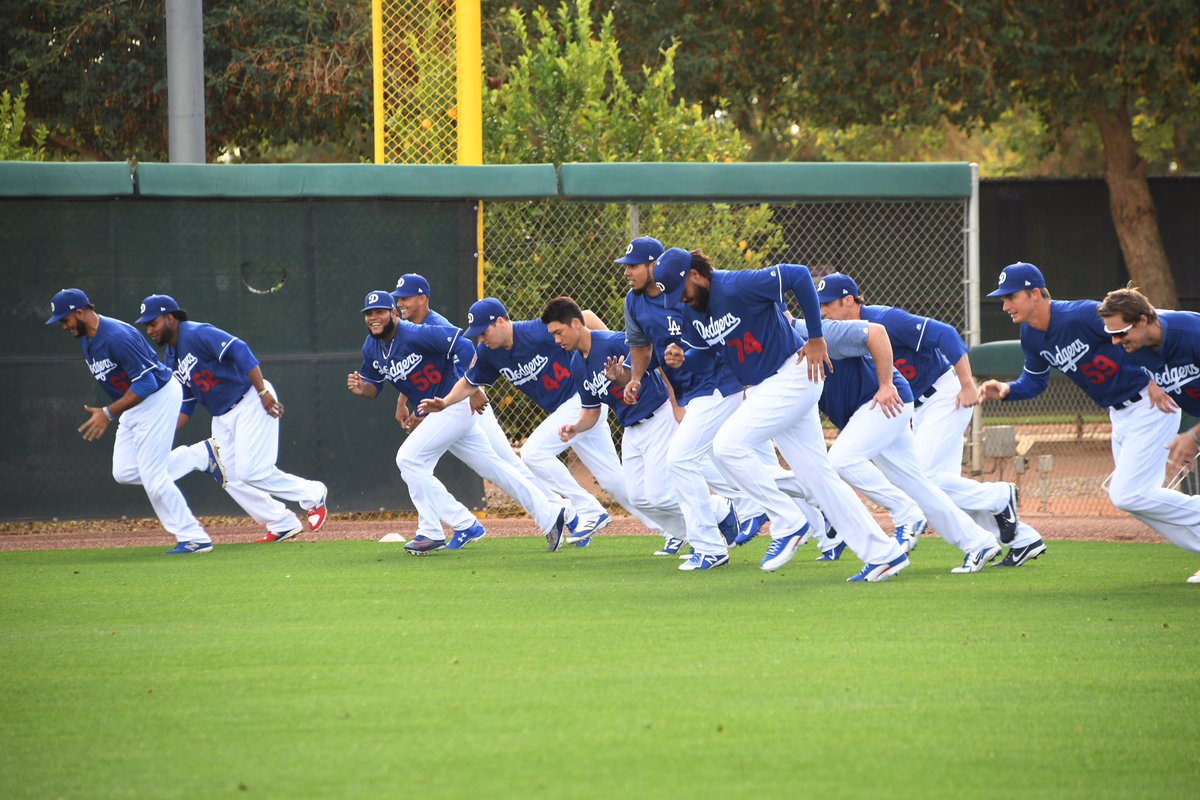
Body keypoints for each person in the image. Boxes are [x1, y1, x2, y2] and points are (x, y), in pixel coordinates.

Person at [654, 257, 909, 581]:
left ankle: (788, 520)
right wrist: (684, 360)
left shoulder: (736, 284)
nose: (681, 299)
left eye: (682, 290)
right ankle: (884, 555)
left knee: (727, 446)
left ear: (695, 274)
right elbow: (711, 357)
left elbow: (799, 275)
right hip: (767, 387)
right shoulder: (693, 311)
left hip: (793, 372)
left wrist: (816, 337)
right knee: (820, 479)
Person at [979, 262, 1200, 581]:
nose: (1005, 305)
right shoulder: (1031, 334)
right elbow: (1036, 380)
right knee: (1136, 499)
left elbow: (1146, 319)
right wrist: (1008, 389)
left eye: (1011, 297)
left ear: (1036, 293)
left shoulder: (1080, 315)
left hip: (1150, 405)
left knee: (1128, 494)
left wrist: (1156, 374)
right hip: (1119, 414)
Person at [817, 272, 1047, 567]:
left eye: (828, 304)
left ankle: (999, 496)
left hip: (944, 395)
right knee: (937, 488)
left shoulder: (886, 319)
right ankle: (1023, 539)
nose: (823, 312)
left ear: (848, 301)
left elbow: (946, 334)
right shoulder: (846, 335)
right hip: (917, 408)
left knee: (923, 479)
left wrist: (966, 385)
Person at [418, 296, 660, 546]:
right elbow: (469, 382)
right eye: (478, 335)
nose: (482, 339)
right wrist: (446, 402)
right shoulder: (490, 354)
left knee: (533, 452)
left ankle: (589, 510)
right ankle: (670, 530)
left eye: (484, 331)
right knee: (614, 482)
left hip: (581, 399)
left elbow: (584, 316)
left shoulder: (535, 331)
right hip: (575, 412)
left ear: (501, 322)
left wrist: (604, 349)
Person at [622, 245, 809, 564]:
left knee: (684, 459)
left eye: (634, 265)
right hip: (695, 391)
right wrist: (638, 378)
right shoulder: (640, 301)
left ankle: (713, 544)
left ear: (654, 265)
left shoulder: (702, 290)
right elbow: (649, 351)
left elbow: (768, 295)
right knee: (732, 460)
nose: (627, 271)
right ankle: (812, 495)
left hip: (720, 384)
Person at [347, 291, 573, 554]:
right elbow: (374, 386)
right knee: (494, 469)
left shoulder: (415, 333)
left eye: (380, 312)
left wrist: (473, 387)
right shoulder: (372, 347)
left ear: (393, 314)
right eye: (369, 314)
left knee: (409, 459)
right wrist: (363, 389)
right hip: (440, 411)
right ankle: (549, 514)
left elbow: (463, 344)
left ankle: (432, 531)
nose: (374, 318)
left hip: (451, 404)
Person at [790, 309, 1004, 574]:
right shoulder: (778, 352)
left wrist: (886, 384)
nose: (822, 311)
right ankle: (979, 543)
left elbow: (877, 333)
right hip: (870, 410)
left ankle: (906, 513)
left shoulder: (811, 331)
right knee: (916, 483)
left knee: (841, 460)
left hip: (883, 401)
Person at [136, 294, 328, 542]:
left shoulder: (196, 333)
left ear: (170, 318)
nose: (150, 330)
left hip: (250, 400)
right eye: (147, 325)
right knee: (230, 476)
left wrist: (262, 391)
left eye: (153, 323)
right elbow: (187, 402)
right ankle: (281, 522)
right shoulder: (171, 357)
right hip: (222, 417)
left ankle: (314, 494)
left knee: (252, 471)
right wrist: (164, 434)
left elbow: (240, 350)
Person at [539, 296, 706, 566]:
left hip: (658, 415)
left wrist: (677, 405)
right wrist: (576, 427)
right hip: (632, 428)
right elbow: (592, 412)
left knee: (659, 495)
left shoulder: (613, 342)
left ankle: (718, 515)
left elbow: (658, 361)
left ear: (577, 324)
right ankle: (686, 534)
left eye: (559, 332)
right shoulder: (576, 365)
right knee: (637, 497)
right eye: (553, 335)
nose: (557, 340)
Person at [46, 288, 212, 554]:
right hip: (135, 404)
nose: (64, 326)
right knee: (124, 472)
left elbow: (147, 381)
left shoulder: (117, 336)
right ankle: (198, 457)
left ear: (79, 313)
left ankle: (195, 537)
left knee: (154, 476)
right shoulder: (87, 337)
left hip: (157, 397)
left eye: (65, 320)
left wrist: (109, 413)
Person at [1096, 284, 1200, 582]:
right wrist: (1155, 383)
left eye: (1122, 332)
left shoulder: (1192, 333)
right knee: (1129, 496)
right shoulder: (1134, 346)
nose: (1116, 341)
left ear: (1143, 321)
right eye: (1111, 334)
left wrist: (1193, 436)